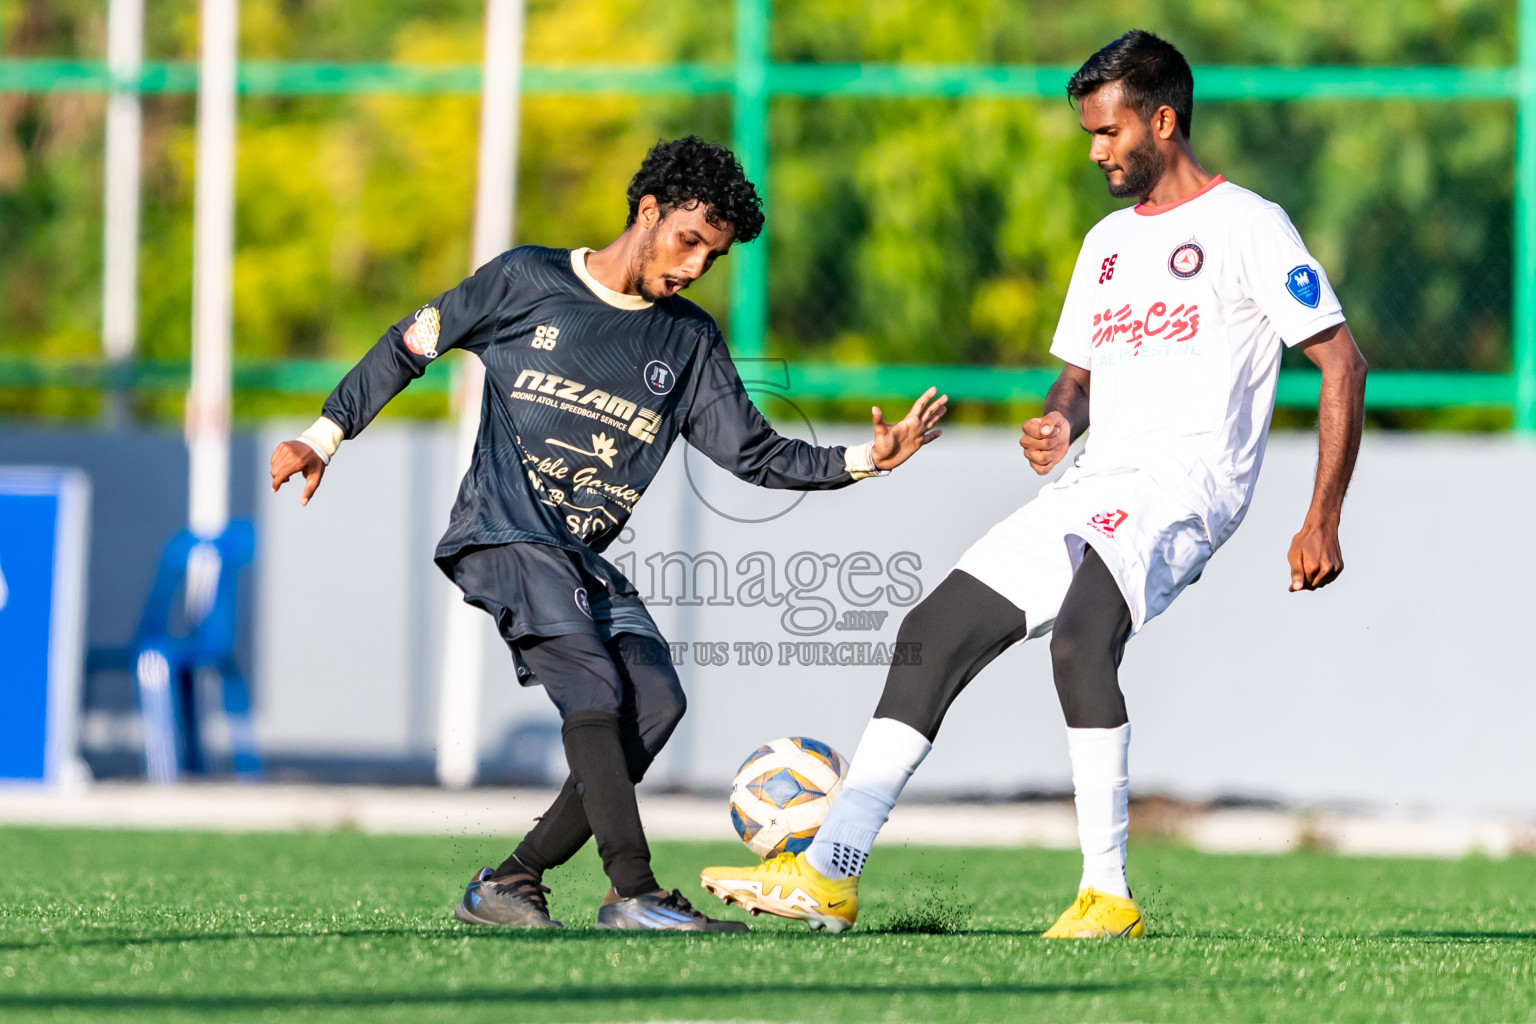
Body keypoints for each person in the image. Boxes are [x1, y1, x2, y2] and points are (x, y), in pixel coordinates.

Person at [700, 30, 1368, 937]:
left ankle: (1108, 895)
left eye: (1108, 132)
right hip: (1093, 482)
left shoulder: (1248, 224)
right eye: (1089, 134)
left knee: (1082, 638)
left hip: (1184, 485)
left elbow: (1342, 363)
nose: (1096, 152)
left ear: (1163, 121)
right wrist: (1059, 421)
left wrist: (1322, 516)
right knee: (933, 630)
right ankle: (833, 868)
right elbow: (1080, 377)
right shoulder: (1104, 245)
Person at [269, 136, 948, 932]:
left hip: (580, 560)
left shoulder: (686, 341)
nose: (696, 266)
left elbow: (756, 454)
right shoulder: (527, 280)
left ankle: (511, 881)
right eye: (689, 240)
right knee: (593, 688)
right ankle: (633, 891)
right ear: (648, 211)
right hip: (502, 532)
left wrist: (869, 458)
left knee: (655, 702)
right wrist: (324, 435)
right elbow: (410, 342)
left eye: (714, 256)